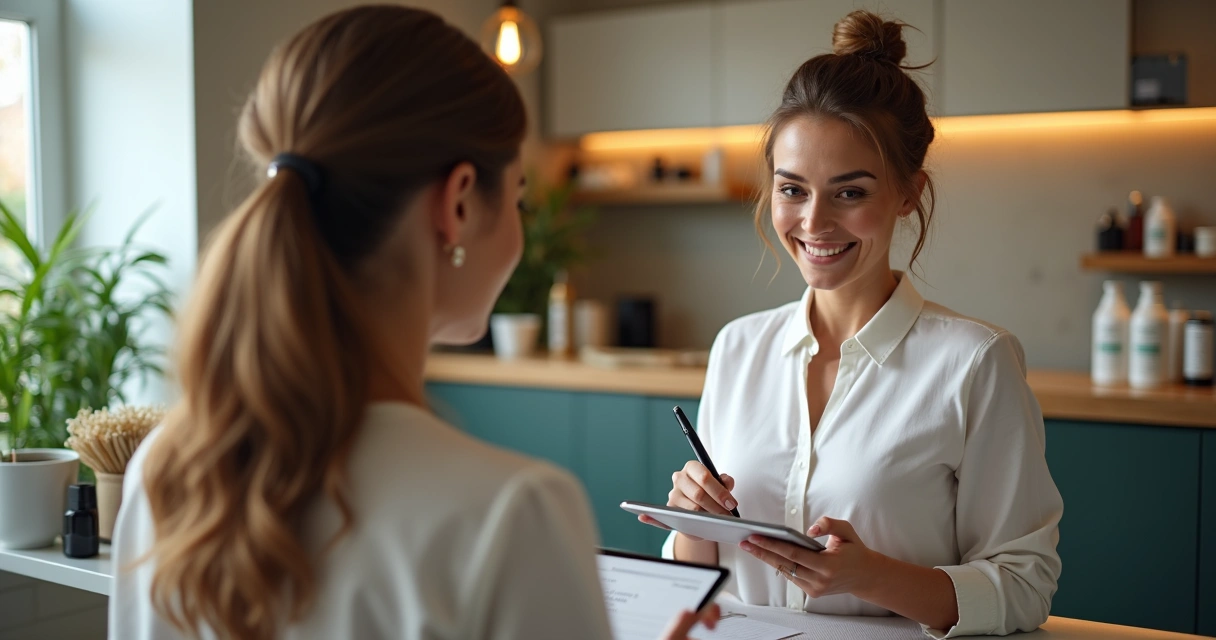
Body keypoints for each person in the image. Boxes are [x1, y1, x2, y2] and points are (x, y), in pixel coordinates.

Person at [108, 6, 717, 640]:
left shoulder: (166, 472)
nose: (519, 224)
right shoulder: (513, 512)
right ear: (456, 203)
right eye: (516, 196)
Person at [639, 10, 1063, 639]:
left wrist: (869, 575)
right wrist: (695, 530)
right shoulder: (738, 347)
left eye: (850, 192)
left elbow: (1025, 587)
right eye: (792, 190)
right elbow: (712, 584)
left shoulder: (975, 363)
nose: (813, 223)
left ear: (908, 192)